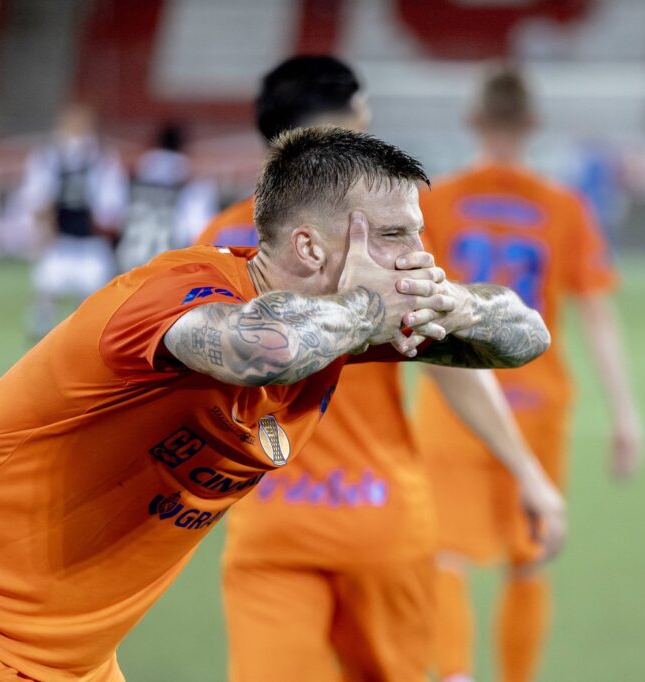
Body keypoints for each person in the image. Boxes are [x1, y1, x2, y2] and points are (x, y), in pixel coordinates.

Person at [0, 124, 550, 681]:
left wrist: (448, 301)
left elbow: (524, 335)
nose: (418, 254)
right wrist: (370, 305)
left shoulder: (339, 322)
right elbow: (256, 349)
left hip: (74, 650)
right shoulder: (179, 292)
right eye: (396, 235)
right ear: (310, 246)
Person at [200, 55, 563, 682]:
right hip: (382, 519)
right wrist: (526, 469)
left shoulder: (218, 244)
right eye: (364, 121)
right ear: (338, 135)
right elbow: (452, 358)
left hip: (271, 518)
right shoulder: (386, 245)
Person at [411, 65, 644, 682]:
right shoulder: (562, 207)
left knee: (448, 554)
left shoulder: (440, 202)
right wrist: (624, 412)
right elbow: (596, 312)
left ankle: (455, 673)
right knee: (531, 557)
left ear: (477, 123)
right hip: (537, 401)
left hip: (456, 400)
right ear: (532, 126)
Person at [15, 102, 128, 338]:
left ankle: (79, 342)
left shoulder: (102, 158)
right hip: (60, 241)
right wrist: (42, 232)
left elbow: (111, 207)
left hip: (90, 243)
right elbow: (36, 200)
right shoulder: (48, 157)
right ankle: (41, 347)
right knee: (45, 296)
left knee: (91, 306)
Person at [115, 122, 217, 272]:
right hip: (169, 265)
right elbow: (199, 230)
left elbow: (111, 216)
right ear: (183, 145)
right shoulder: (191, 178)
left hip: (128, 263)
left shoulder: (135, 172)